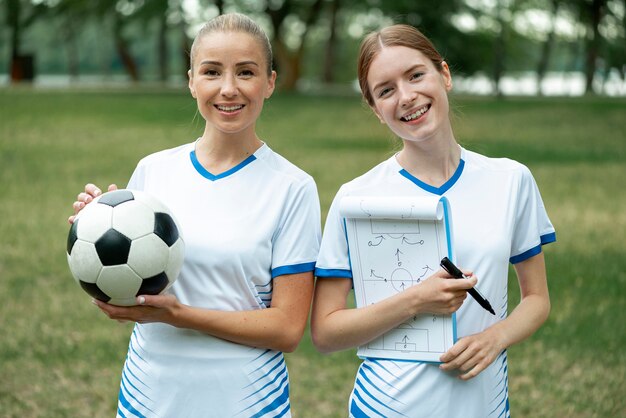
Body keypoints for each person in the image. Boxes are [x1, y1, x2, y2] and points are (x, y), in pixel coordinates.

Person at [69, 13, 321, 418]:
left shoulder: (293, 187)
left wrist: (178, 315)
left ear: (270, 82)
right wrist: (94, 225)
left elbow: (288, 329)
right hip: (149, 395)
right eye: (211, 72)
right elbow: (126, 288)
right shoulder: (153, 170)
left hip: (247, 400)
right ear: (191, 81)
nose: (228, 88)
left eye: (246, 72)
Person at [311, 24, 555, 417]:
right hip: (384, 407)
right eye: (386, 90)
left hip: (484, 406)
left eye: (415, 75)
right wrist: (416, 300)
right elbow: (325, 332)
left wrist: (496, 338)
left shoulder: (511, 180)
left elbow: (537, 300)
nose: (406, 97)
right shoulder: (355, 198)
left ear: (444, 74)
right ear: (375, 108)